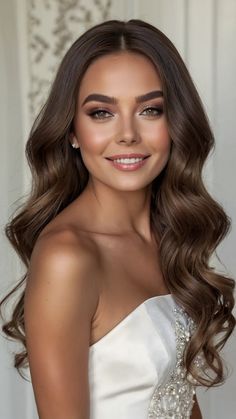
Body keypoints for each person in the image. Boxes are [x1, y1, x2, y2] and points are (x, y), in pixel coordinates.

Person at [0, 19, 235, 419]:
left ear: (175, 123)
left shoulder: (169, 237)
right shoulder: (67, 256)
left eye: (149, 110)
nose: (127, 134)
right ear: (72, 130)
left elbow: (178, 395)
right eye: (101, 112)